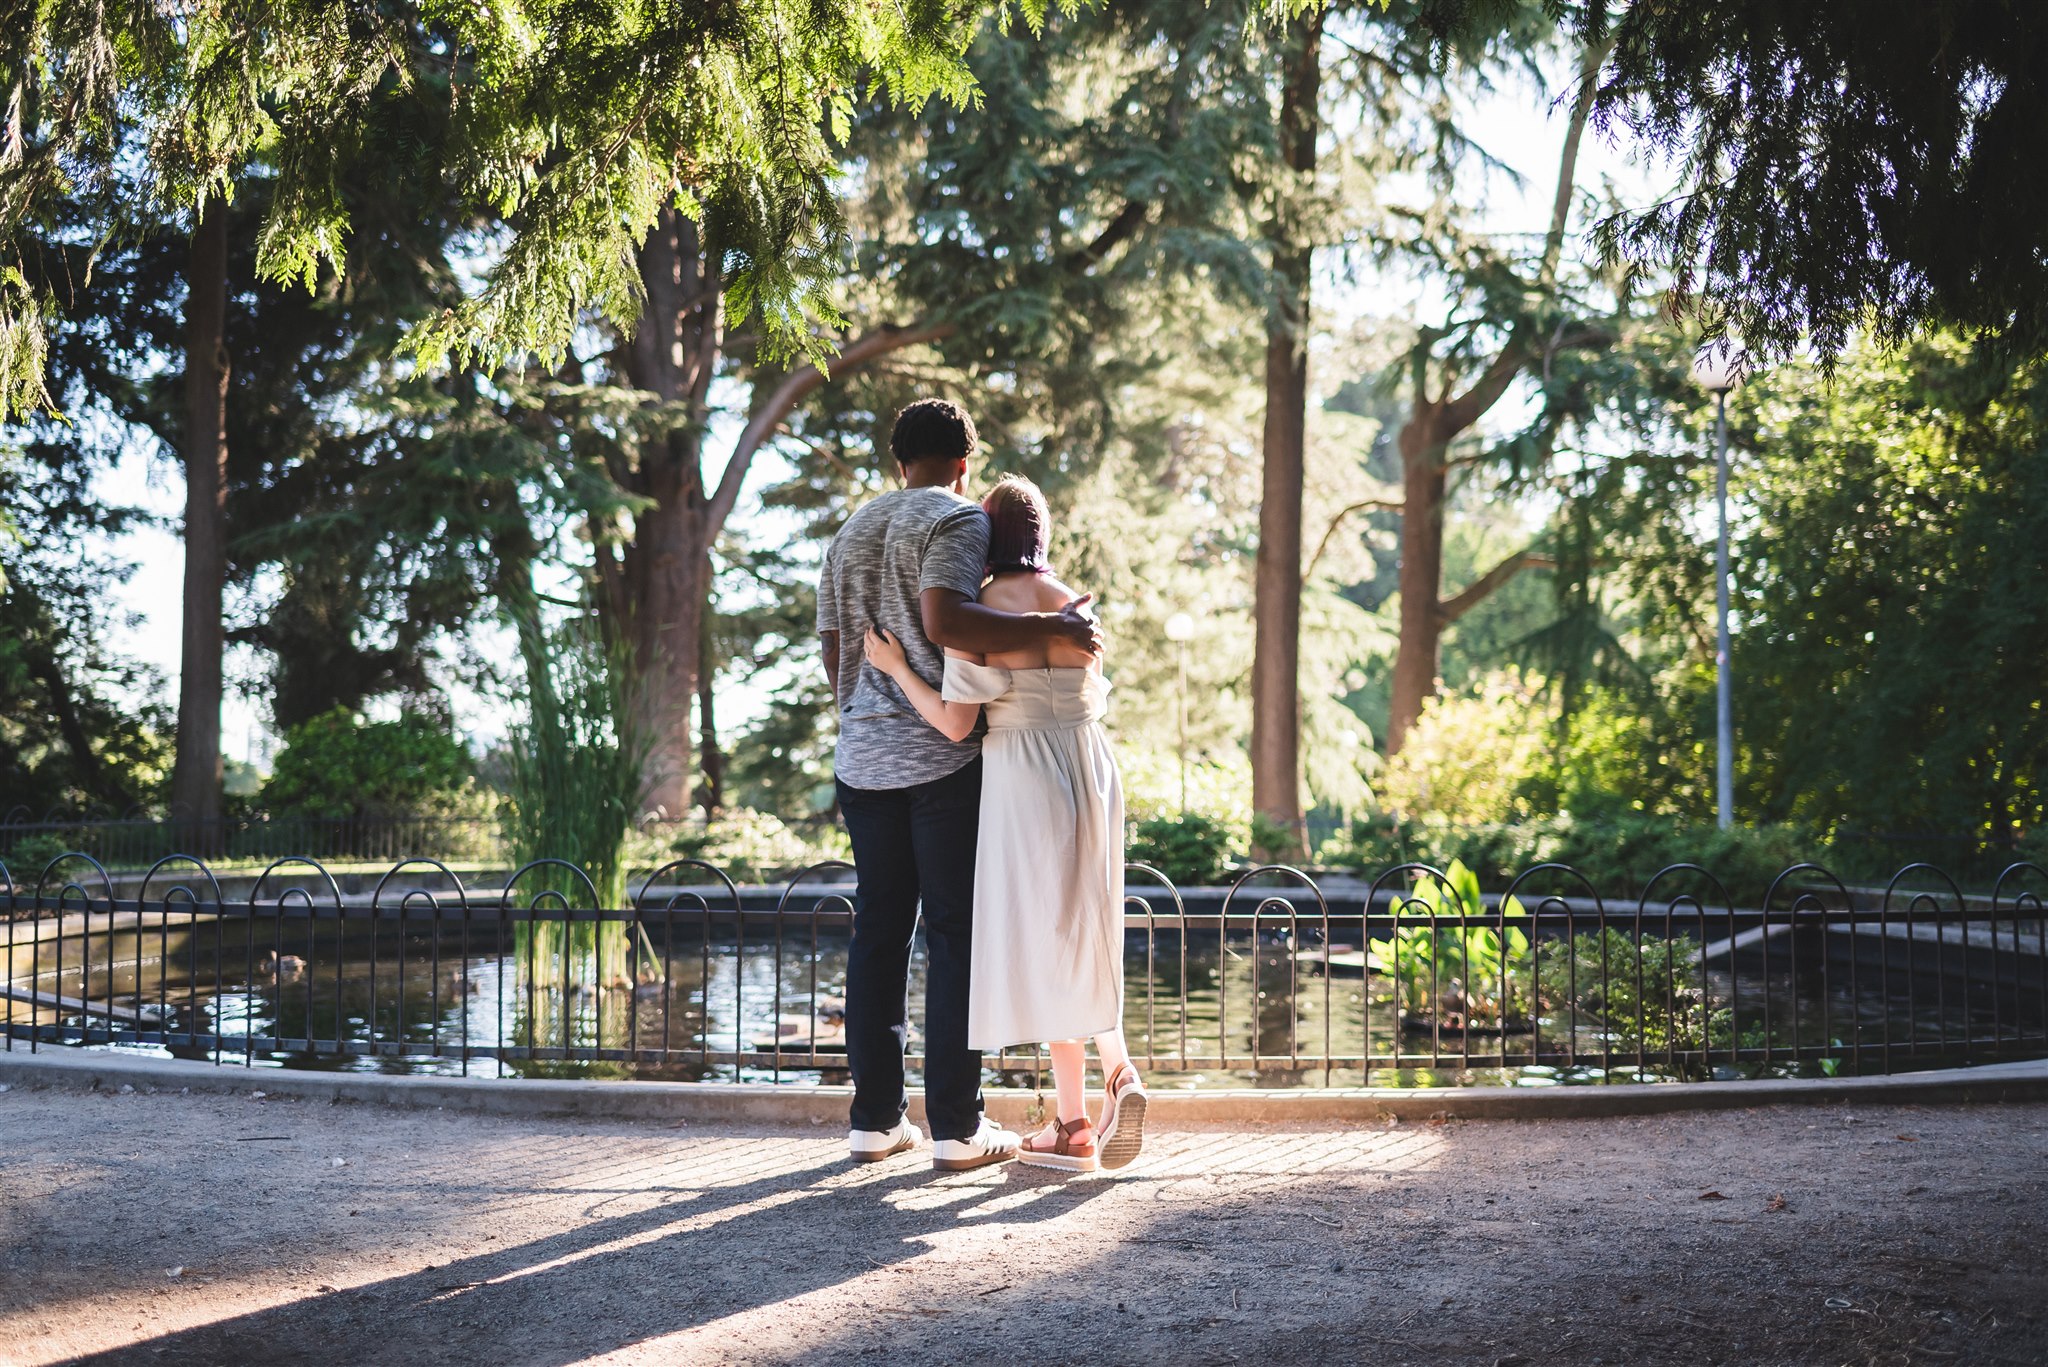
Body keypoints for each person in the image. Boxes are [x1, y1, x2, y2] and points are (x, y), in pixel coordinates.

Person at [818, 399, 1102, 1173]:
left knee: (878, 934)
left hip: (862, 760)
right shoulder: (959, 521)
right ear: (966, 462)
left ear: (895, 458)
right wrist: (1054, 632)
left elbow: (835, 646)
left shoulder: (849, 532)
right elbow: (948, 620)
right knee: (953, 936)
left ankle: (874, 1120)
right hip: (941, 760)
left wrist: (863, 707)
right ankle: (954, 1126)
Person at [863, 474, 1147, 1174]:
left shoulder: (981, 612)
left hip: (1025, 775)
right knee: (1085, 925)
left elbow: (956, 722)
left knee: (1046, 935)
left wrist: (898, 668)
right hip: (1091, 766)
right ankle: (1092, 1102)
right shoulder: (1073, 603)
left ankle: (1082, 1117)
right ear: (1042, 533)